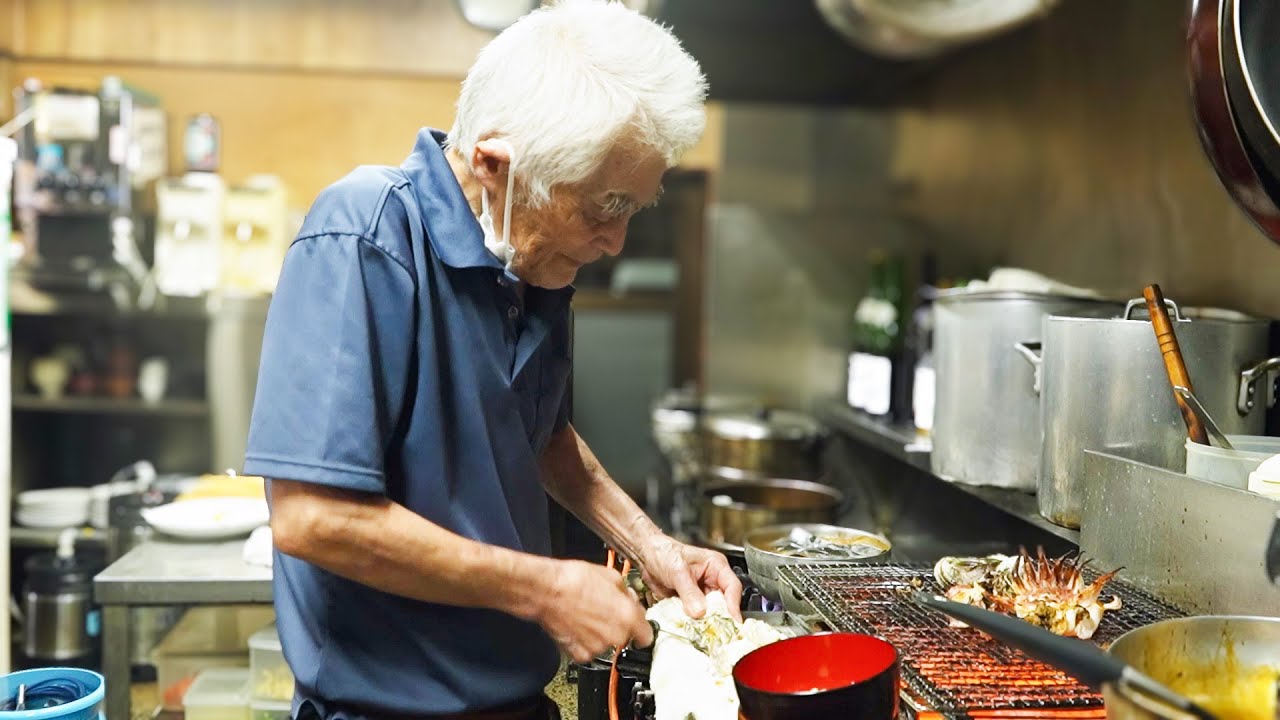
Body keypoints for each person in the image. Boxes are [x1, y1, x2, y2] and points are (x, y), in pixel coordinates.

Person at [241, 2, 741, 718]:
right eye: (601, 206)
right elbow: (314, 518)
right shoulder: (365, 235)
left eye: (634, 208)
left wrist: (652, 548)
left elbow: (539, 436)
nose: (616, 241)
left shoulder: (530, 269)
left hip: (515, 700)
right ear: (493, 163)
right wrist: (548, 588)